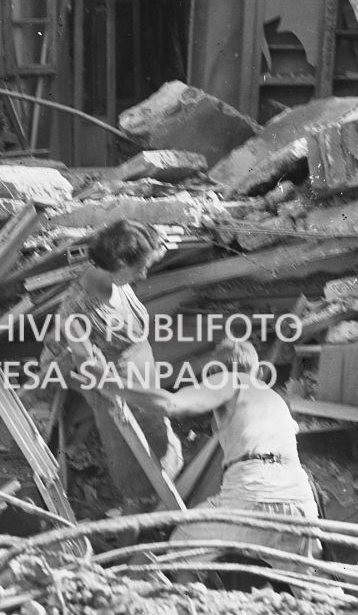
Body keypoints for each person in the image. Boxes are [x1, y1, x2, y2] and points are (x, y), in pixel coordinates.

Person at [85, 335, 323, 563]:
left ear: (214, 372)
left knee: (181, 550)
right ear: (259, 371)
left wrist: (110, 384)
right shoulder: (275, 400)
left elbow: (171, 403)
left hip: (254, 492)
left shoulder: (229, 379)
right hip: (299, 501)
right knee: (317, 590)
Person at [40, 219, 183, 514]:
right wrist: (126, 397)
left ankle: (171, 482)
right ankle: (141, 511)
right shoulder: (78, 309)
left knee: (160, 436)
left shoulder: (117, 282)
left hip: (141, 376)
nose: (143, 274)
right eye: (138, 268)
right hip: (117, 393)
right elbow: (89, 368)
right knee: (133, 455)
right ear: (117, 263)